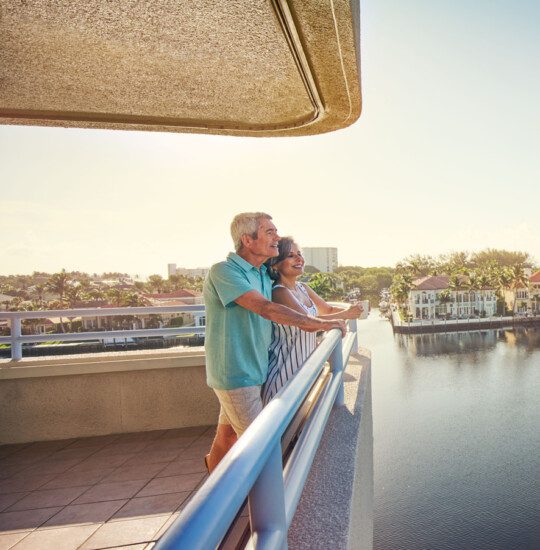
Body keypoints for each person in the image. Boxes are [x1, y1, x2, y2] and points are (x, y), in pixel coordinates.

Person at [203, 213, 346, 472]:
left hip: (258, 369)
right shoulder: (224, 272)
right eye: (269, 232)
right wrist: (322, 325)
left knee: (226, 438)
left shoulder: (261, 274)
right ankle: (257, 507)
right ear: (247, 240)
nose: (277, 238)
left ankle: (211, 485)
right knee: (263, 448)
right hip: (236, 374)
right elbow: (265, 308)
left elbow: (291, 289)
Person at [262, 237, 363, 404]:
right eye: (290, 255)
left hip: (304, 371)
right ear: (275, 264)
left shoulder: (303, 287)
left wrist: (352, 310)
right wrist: (346, 314)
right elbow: (307, 321)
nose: (299, 259)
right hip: (285, 373)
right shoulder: (279, 292)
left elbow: (328, 310)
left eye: (299, 254)